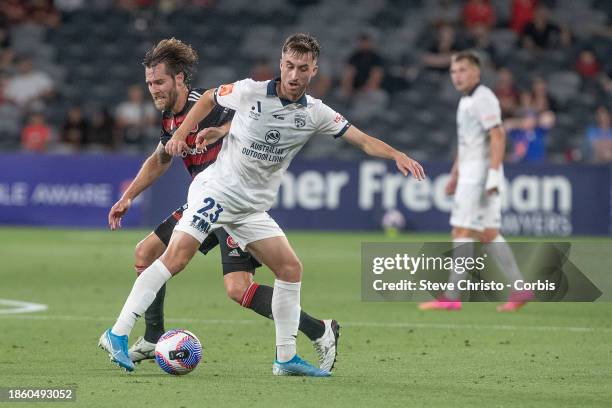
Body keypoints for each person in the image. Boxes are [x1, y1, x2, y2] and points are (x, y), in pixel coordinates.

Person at [99, 33, 425, 376]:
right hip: (216, 191)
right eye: (289, 66)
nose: (294, 75)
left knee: (289, 269)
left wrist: (396, 154)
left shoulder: (315, 113)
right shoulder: (251, 90)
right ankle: (118, 333)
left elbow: (361, 139)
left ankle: (286, 357)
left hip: (249, 207)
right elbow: (211, 97)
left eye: (302, 68)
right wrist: (182, 135)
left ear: (314, 70)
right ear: (280, 64)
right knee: (173, 258)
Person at [418, 51, 533, 312]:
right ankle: (520, 289)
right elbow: (467, 142)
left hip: (480, 176)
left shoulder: (484, 98)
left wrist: (492, 174)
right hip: (470, 174)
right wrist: (455, 174)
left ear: (476, 72)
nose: (457, 76)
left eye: (462, 70)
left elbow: (498, 135)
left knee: (460, 231)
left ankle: (451, 297)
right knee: (488, 233)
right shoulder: (466, 101)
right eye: (453, 71)